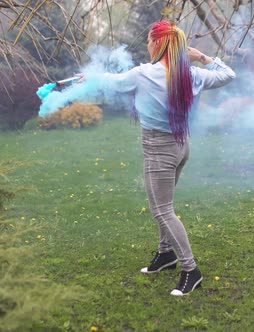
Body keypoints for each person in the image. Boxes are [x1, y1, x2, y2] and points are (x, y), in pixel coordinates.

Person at [77, 20, 235, 296]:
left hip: (160, 150)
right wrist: (202, 57)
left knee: (162, 210)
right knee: (165, 205)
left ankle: (191, 270)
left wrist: (89, 77)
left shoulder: (143, 74)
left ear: (158, 44)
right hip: (181, 146)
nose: (147, 45)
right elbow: (227, 75)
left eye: (150, 41)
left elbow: (113, 82)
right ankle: (165, 255)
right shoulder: (191, 74)